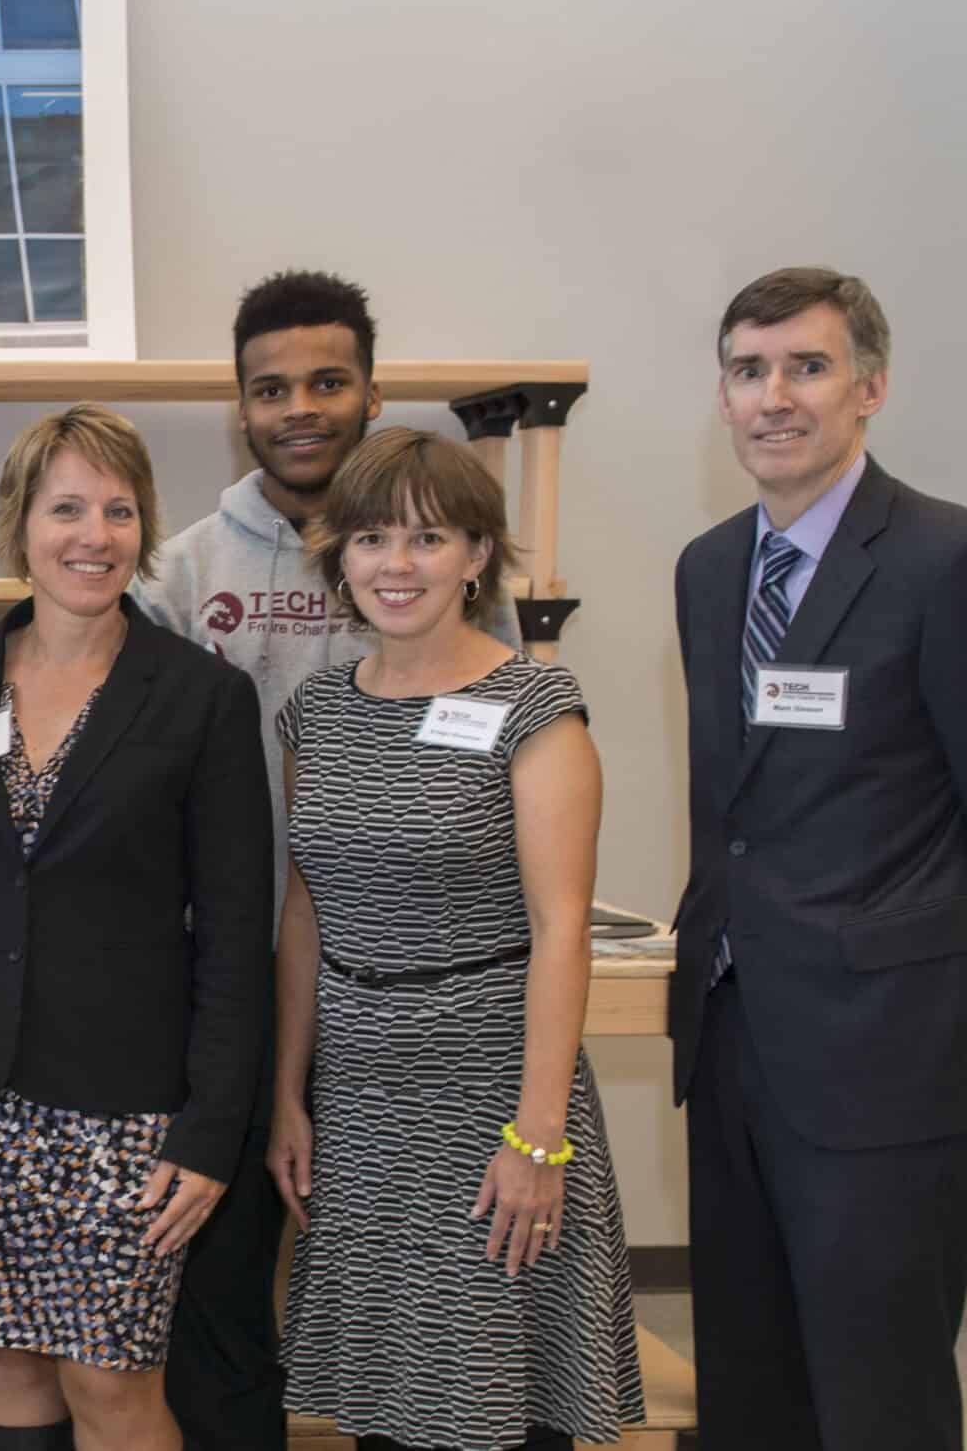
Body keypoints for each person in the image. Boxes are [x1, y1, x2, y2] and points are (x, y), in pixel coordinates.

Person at [669, 268, 967, 1450]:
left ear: (871, 387)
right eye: (748, 369)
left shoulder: (956, 563)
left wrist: (944, 998)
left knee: (877, 1394)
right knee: (751, 1378)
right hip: (735, 1033)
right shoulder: (708, 569)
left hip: (890, 1060)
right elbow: (735, 809)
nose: (773, 396)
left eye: (806, 365)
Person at [133, 270, 520, 1451]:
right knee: (223, 1296)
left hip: (407, 997)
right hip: (231, 983)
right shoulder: (186, 569)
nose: (299, 406)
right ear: (237, 407)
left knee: (420, 1300)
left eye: (326, 380)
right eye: (270, 387)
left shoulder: (431, 564)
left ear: (368, 390)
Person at [267, 427, 642, 1451]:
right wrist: (288, 1093)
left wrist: (536, 1135)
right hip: (360, 1098)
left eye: (428, 537)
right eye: (372, 537)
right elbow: (304, 906)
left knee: (496, 1404)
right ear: (337, 555)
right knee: (387, 1402)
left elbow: (561, 929)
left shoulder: (533, 706)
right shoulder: (317, 712)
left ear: (478, 554)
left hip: (490, 1097)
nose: (396, 564)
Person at [0, 405, 268, 1451]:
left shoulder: (200, 696)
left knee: (111, 1384)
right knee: (10, 1367)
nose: (93, 534)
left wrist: (210, 1133)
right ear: (17, 523)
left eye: (118, 509)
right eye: (66, 506)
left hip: (128, 1112)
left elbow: (236, 932)